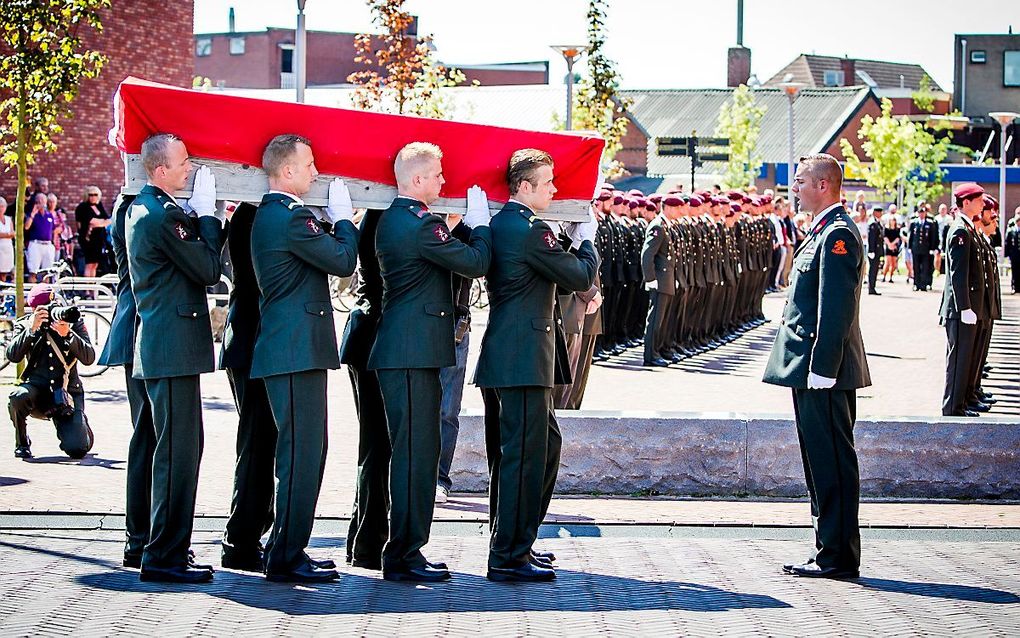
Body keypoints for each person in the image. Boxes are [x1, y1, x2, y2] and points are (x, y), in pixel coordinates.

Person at [368, 142, 492, 583]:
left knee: (415, 454)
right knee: (415, 456)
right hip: (409, 354)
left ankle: (405, 549)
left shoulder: (403, 220)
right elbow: (476, 262)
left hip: (408, 351)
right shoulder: (421, 225)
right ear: (417, 181)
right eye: (438, 174)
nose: (444, 181)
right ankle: (403, 553)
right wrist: (479, 226)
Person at [474, 148, 599, 582]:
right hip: (520, 358)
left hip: (515, 356)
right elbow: (579, 276)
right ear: (524, 187)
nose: (555, 189)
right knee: (524, 457)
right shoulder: (527, 229)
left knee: (536, 449)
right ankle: (509, 555)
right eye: (548, 182)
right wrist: (587, 242)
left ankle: (514, 541)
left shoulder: (513, 226)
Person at [248, 134, 359, 582]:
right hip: (293, 350)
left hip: (293, 348)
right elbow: (343, 260)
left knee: (306, 451)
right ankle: (285, 555)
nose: (315, 173)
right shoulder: (289, 217)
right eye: (310, 165)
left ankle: (287, 547)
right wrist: (344, 220)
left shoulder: (278, 215)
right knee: (302, 454)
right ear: (287, 171)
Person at [763, 153, 870, 580]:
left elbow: (836, 309)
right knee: (817, 460)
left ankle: (837, 555)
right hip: (810, 368)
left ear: (824, 185)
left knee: (831, 462)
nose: (795, 186)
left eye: (802, 179)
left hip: (822, 370)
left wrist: (823, 368)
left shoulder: (837, 235)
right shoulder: (822, 231)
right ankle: (828, 547)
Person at [125, 133, 226, 583]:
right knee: (178, 454)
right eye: (184, 162)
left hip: (164, 346)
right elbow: (206, 269)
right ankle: (164, 555)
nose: (190, 169)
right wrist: (209, 217)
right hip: (172, 349)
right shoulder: (163, 216)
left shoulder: (143, 209)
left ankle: (158, 546)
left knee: (171, 449)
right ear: (160, 169)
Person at [97, 192, 154, 568]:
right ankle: (139, 538)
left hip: (139, 326)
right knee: (148, 436)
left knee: (149, 435)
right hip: (140, 327)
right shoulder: (133, 206)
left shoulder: (130, 204)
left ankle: (143, 537)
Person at [7, 284, 95, 460]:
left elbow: (89, 358)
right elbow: (13, 356)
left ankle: (80, 425)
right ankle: (22, 442)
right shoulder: (25, 324)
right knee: (17, 396)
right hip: (37, 392)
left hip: (66, 393)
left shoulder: (71, 321)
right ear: (33, 309)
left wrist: (68, 334)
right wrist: (31, 330)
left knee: (77, 449)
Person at [939, 183, 989, 417]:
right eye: (978, 200)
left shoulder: (966, 228)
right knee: (959, 360)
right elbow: (958, 274)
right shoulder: (960, 230)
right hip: (960, 310)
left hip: (968, 308)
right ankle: (953, 408)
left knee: (966, 359)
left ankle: (961, 403)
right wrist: (965, 307)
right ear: (966, 202)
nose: (982, 204)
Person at [642, 194, 677, 366]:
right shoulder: (657, 226)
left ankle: (657, 351)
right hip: (659, 280)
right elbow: (647, 254)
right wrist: (651, 279)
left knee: (662, 320)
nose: (679, 211)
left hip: (666, 279)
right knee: (655, 320)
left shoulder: (665, 225)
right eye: (676, 208)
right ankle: (651, 355)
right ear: (668, 208)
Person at [75, 186, 111, 278]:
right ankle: (87, 289)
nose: (93, 197)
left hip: (99, 239)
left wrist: (99, 223)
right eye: (91, 195)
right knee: (89, 264)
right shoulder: (83, 207)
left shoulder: (99, 205)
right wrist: (101, 222)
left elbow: (108, 220)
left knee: (95, 264)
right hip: (88, 239)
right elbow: (91, 221)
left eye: (95, 195)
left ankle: (92, 288)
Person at [25, 192, 56, 282]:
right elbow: (26, 227)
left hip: (48, 244)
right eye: (39, 200)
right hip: (35, 244)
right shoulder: (32, 215)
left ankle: (45, 293)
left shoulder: (49, 215)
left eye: (43, 200)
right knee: (33, 271)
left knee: (47, 272)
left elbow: (53, 230)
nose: (41, 202)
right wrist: (33, 214)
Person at [908, 203, 938, 291]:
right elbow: (911, 236)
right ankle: (916, 284)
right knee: (916, 267)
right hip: (916, 248)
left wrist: (933, 248)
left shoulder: (930, 223)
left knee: (925, 267)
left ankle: (923, 285)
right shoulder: (914, 223)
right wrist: (910, 247)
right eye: (920, 213)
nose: (921, 214)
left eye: (923, 213)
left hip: (926, 249)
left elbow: (933, 237)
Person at [866, 206, 884, 295]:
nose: (880, 213)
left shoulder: (877, 222)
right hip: (874, 250)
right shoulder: (873, 223)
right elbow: (871, 238)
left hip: (877, 250)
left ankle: (872, 287)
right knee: (873, 269)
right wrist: (871, 250)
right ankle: (871, 288)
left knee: (875, 269)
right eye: (879, 212)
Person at [1005, 206, 1020, 294]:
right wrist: (1007, 254)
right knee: (1014, 272)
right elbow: (1008, 242)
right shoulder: (1011, 229)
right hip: (1014, 255)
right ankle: (1014, 287)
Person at [882, 216, 901, 282]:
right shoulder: (886, 229)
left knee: (894, 264)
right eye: (891, 220)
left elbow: (898, 238)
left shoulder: (897, 229)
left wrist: (893, 244)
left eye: (894, 220)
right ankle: (884, 276)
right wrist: (889, 244)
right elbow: (885, 237)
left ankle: (890, 277)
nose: (892, 221)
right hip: (888, 246)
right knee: (887, 262)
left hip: (894, 247)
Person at [0, 198, 14, 281]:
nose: (1, 208)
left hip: (8, 247)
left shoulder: (9, 219)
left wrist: (7, 235)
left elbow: (12, 233)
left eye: (2, 206)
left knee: (5, 271)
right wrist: (7, 235)